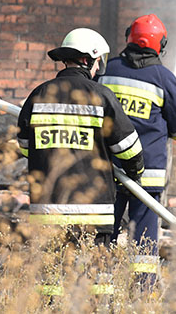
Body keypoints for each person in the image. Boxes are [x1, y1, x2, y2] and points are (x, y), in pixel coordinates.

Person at [17, 28, 144, 298]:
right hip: (93, 212)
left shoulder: (38, 96)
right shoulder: (102, 96)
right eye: (99, 61)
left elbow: (25, 146)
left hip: (47, 210)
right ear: (89, 60)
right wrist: (134, 173)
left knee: (51, 281)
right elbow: (130, 150)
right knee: (97, 283)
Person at [98, 14, 176, 290]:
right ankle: (143, 292)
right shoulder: (163, 78)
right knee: (145, 239)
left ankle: (101, 289)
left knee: (104, 234)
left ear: (129, 36)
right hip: (147, 176)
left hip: (110, 171)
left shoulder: (108, 71)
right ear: (160, 45)